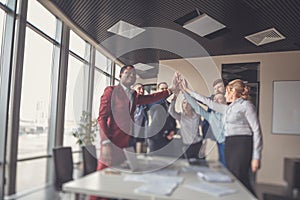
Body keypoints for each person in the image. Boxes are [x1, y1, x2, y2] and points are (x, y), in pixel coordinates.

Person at [179, 76, 263, 195]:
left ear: (233, 92)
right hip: (230, 143)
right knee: (232, 178)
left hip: (242, 144)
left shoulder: (246, 106)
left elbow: (256, 130)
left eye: (226, 91)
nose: (224, 94)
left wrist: (256, 156)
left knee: (241, 179)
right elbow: (205, 101)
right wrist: (186, 90)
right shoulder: (227, 109)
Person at [97, 66, 176, 171]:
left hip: (128, 145)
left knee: (124, 177)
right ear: (120, 76)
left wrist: (170, 90)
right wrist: (105, 143)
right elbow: (102, 118)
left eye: (134, 74)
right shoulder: (111, 91)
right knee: (105, 176)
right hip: (112, 143)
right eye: (128, 73)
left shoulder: (133, 95)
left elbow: (151, 98)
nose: (131, 76)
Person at [182, 92, 226, 163]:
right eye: (214, 99)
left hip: (232, 143)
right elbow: (197, 107)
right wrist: (185, 92)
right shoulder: (211, 116)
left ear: (225, 101)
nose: (216, 101)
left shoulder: (229, 111)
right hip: (220, 144)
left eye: (220, 98)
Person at [168, 93, 203, 159]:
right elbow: (171, 111)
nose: (186, 105)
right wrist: (175, 98)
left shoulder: (197, 116)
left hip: (198, 144)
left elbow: (203, 128)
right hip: (186, 145)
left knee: (199, 166)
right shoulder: (180, 116)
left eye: (188, 103)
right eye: (184, 103)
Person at [147, 82, 177, 156]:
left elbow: (172, 120)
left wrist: (173, 131)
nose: (164, 90)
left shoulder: (169, 104)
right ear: (157, 90)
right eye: (162, 89)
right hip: (155, 139)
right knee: (154, 163)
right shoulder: (153, 102)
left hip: (167, 139)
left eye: (166, 89)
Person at [201, 78, 226, 166]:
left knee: (226, 162)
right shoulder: (212, 101)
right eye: (215, 88)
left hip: (227, 137)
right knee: (213, 163)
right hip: (213, 137)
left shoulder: (231, 101)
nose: (217, 90)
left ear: (225, 87)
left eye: (219, 87)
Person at [131, 83, 149, 153]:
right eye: (139, 89)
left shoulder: (144, 105)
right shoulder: (127, 104)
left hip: (141, 136)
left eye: (143, 89)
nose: (142, 91)